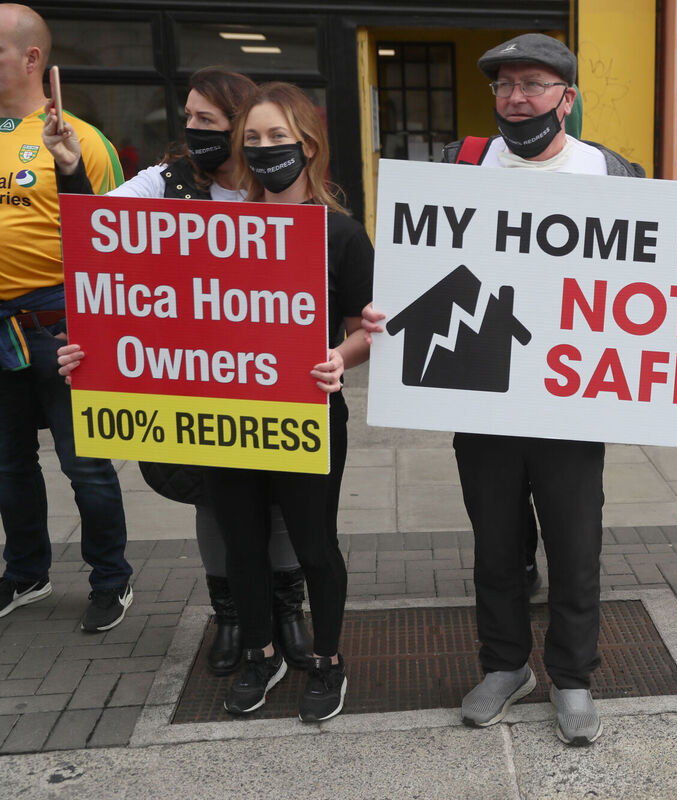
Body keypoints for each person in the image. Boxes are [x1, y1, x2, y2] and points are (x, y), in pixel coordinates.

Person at [364, 33, 677, 746]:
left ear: (568, 98)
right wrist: (389, 306)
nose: (516, 98)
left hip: (570, 407)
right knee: (497, 550)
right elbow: (416, 265)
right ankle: (505, 666)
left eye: (533, 84)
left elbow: (664, 276)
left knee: (574, 547)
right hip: (481, 395)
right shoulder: (459, 165)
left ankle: (572, 677)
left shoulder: (615, 176)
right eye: (504, 86)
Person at [44, 67, 312, 678]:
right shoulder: (165, 181)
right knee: (214, 500)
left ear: (242, 125)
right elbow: (96, 230)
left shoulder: (273, 182)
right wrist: (70, 170)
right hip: (195, 374)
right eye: (187, 117)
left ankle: (288, 611)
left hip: (270, 370)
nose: (192, 130)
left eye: (207, 121)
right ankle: (232, 615)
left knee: (280, 501)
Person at [203, 82, 372, 722]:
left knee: (313, 545)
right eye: (253, 139)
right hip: (226, 416)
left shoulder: (342, 236)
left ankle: (327, 662)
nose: (267, 149)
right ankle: (260, 652)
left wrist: (340, 359)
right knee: (241, 544)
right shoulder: (213, 233)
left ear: (307, 145)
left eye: (279, 137)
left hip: (307, 413)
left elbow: (367, 329)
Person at [0, 3, 132, 633]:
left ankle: (111, 578)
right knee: (8, 464)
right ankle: (26, 572)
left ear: (31, 59)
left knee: (86, 465)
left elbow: (118, 240)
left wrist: (100, 329)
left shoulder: (80, 139)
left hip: (63, 324)